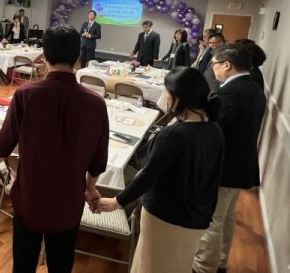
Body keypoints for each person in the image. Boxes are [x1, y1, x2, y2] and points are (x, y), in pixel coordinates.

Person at [0, 24, 109, 272]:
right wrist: (90, 188)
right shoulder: (96, 103)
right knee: (61, 265)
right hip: (69, 202)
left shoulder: (25, 95)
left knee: (23, 265)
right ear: (78, 57)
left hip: (29, 197)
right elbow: (98, 159)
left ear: (44, 54)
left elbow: (4, 143)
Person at [96, 68, 224, 273]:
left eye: (167, 92)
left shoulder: (173, 134)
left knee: (151, 264)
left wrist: (116, 202)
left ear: (177, 97)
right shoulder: (215, 130)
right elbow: (215, 176)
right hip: (198, 217)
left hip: (166, 217)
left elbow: (148, 175)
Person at [193, 44, 266, 273]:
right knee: (226, 217)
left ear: (227, 65)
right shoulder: (253, 87)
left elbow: (212, 129)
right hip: (239, 165)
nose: (212, 69)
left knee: (212, 219)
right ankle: (221, 261)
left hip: (225, 167)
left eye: (214, 64)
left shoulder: (232, 92)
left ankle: (204, 267)